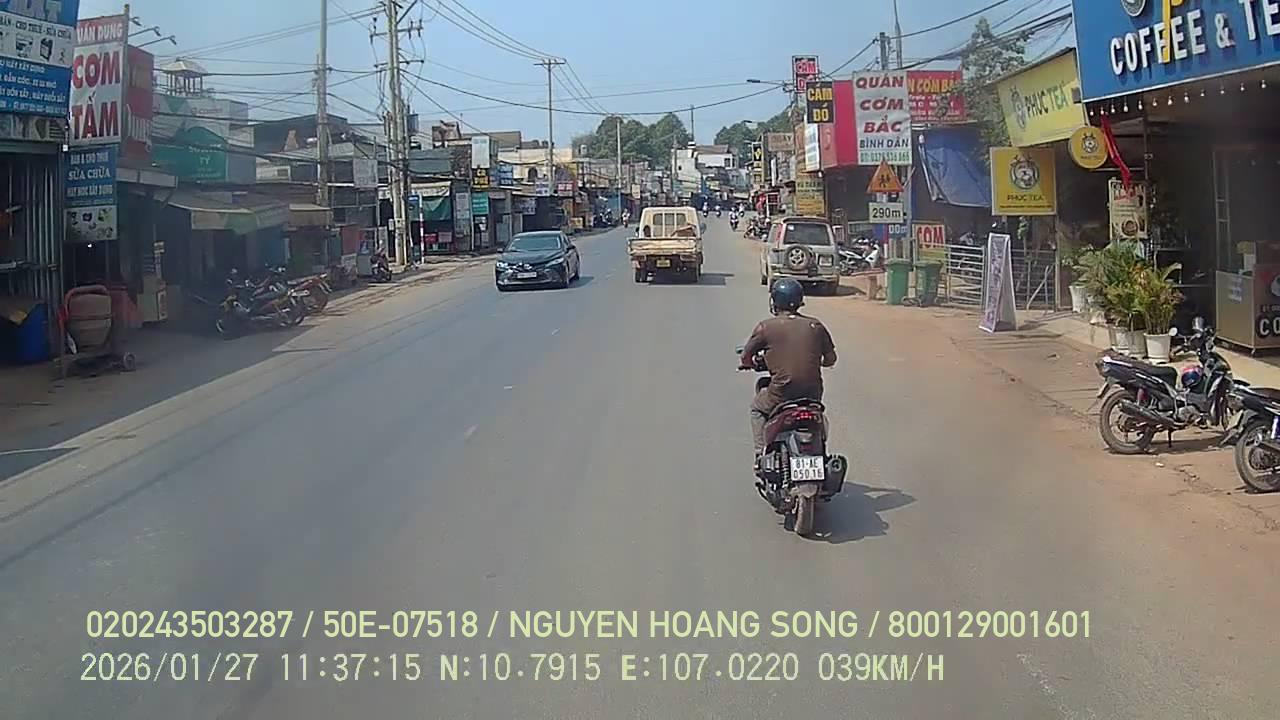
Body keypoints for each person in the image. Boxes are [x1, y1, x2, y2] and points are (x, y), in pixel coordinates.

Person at [739, 279, 837, 463]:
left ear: (775, 301)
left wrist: (749, 363)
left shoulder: (765, 327)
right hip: (813, 393)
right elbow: (831, 359)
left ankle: (761, 454)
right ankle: (821, 450)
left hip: (781, 393)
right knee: (818, 416)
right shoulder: (816, 326)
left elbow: (746, 357)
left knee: (757, 409)